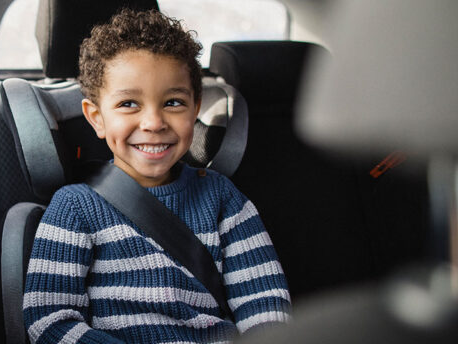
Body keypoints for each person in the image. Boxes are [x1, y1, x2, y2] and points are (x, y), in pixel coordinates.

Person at [23, 9, 290, 343]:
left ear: (195, 109)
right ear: (96, 118)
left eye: (173, 102)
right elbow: (49, 320)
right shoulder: (75, 208)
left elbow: (265, 304)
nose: (153, 122)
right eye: (129, 104)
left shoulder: (223, 199)